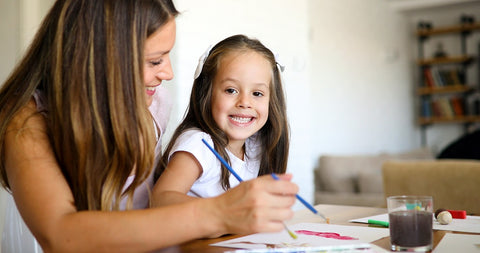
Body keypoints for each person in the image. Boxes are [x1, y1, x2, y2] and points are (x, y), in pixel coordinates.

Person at [0, 1, 298, 252]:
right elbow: (61, 234)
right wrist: (219, 213)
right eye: (155, 61)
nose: (167, 72)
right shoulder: (25, 123)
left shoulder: (153, 104)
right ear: (102, 58)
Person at [151, 35, 290, 205]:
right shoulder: (199, 145)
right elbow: (160, 200)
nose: (245, 103)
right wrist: (223, 211)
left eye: (257, 93)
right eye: (231, 90)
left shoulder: (256, 146)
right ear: (206, 94)